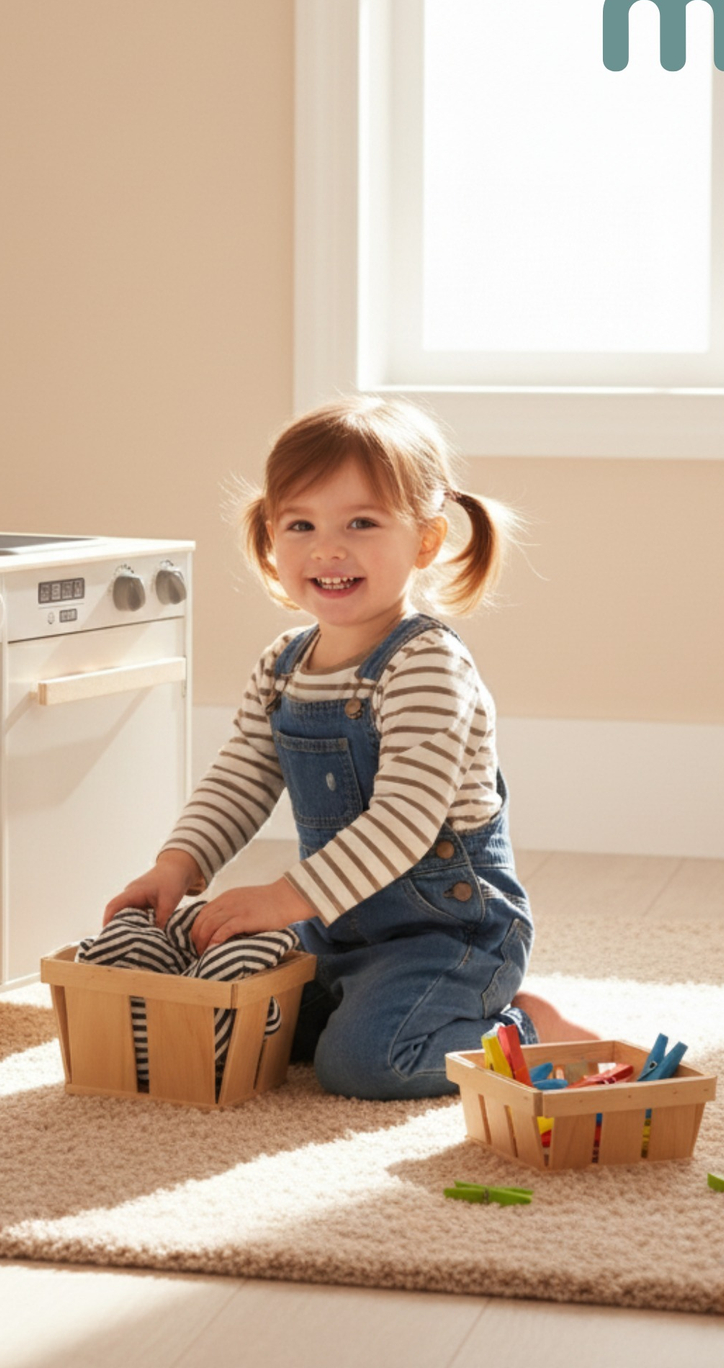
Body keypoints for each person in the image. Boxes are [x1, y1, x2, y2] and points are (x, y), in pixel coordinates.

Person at [103, 398, 594, 1099]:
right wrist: (177, 864)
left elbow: (404, 822)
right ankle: (395, 1006)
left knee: (365, 1064)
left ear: (425, 541)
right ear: (271, 538)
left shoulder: (425, 666)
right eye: (301, 525)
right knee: (246, 1021)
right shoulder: (283, 664)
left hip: (447, 937)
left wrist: (283, 897)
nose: (327, 549)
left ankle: (524, 1028)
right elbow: (241, 775)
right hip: (336, 931)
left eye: (361, 523)